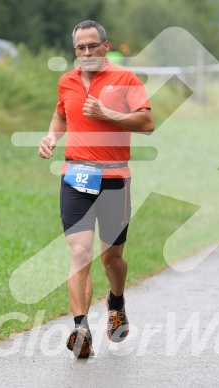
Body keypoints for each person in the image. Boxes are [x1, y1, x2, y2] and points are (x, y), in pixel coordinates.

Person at [38, 20, 154, 358]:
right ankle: (81, 329)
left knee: (112, 258)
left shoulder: (125, 79)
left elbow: (147, 123)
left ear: (105, 46)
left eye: (92, 46)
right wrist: (51, 137)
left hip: (114, 178)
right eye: (80, 48)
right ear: (75, 51)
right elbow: (61, 115)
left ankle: (116, 299)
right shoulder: (67, 81)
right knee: (79, 253)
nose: (86, 53)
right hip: (75, 175)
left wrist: (108, 113)